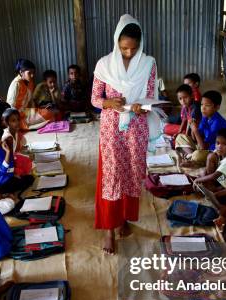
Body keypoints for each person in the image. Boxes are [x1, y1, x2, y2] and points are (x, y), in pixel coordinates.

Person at [91, 15, 158, 254]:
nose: (128, 53)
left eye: (133, 48)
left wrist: (142, 105)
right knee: (111, 177)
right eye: (123, 48)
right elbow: (95, 99)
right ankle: (109, 229)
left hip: (136, 128)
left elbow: (151, 96)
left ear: (141, 44)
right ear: (116, 43)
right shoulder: (104, 65)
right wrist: (108, 102)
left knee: (131, 173)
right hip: (112, 129)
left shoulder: (148, 64)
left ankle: (125, 219)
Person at [176, 90, 226, 166]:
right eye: (202, 105)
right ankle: (190, 157)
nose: (203, 108)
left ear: (217, 107)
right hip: (203, 147)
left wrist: (195, 130)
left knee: (198, 155)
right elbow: (196, 139)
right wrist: (192, 126)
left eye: (207, 105)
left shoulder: (217, 123)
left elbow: (202, 147)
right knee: (180, 137)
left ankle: (191, 158)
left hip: (214, 153)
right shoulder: (205, 117)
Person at [0, 120, 34, 195]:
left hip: (7, 175)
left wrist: (13, 174)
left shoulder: (2, 145)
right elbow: (3, 171)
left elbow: (10, 162)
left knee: (26, 177)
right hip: (2, 181)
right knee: (29, 179)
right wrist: (8, 152)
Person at [6, 59, 53, 129]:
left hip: (25, 112)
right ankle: (19, 124)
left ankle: (25, 125)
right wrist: (15, 118)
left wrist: (35, 111)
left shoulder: (30, 82)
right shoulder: (16, 84)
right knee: (49, 115)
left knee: (50, 112)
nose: (32, 75)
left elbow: (31, 100)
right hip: (16, 115)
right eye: (29, 73)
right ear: (21, 72)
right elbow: (10, 105)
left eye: (33, 72)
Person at [193, 128, 226, 192]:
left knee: (202, 177)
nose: (220, 147)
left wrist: (198, 180)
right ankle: (209, 184)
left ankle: (211, 187)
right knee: (210, 157)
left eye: (224, 144)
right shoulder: (220, 151)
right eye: (217, 143)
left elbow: (214, 176)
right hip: (222, 177)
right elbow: (210, 160)